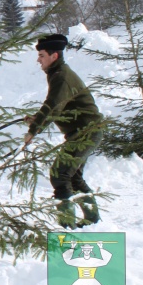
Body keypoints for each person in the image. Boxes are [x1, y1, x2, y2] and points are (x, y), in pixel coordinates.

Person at [23, 34, 104, 229]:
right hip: (86, 132)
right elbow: (60, 106)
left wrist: (33, 130)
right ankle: (92, 222)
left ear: (54, 56)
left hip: (86, 133)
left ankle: (66, 226)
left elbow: (53, 105)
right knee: (73, 177)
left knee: (60, 175)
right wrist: (37, 119)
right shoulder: (58, 73)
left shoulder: (61, 76)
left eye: (41, 55)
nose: (38, 59)